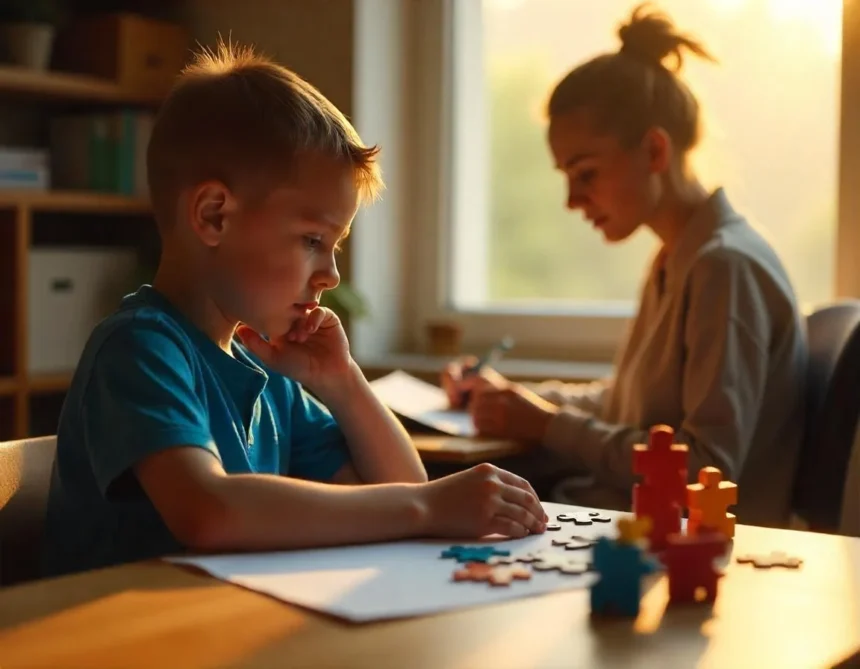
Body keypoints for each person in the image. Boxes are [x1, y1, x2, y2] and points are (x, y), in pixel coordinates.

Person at [41, 43, 547, 578]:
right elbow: (209, 512)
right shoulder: (140, 349)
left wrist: (344, 383)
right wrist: (426, 508)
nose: (330, 273)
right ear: (214, 215)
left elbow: (398, 490)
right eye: (312, 239)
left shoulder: (269, 375)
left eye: (336, 245)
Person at [442, 4, 807, 527]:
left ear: (655, 150)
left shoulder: (725, 268)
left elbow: (704, 469)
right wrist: (513, 400)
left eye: (585, 173)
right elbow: (629, 407)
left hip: (687, 545)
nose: (571, 200)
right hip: (626, 517)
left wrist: (548, 426)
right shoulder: (677, 258)